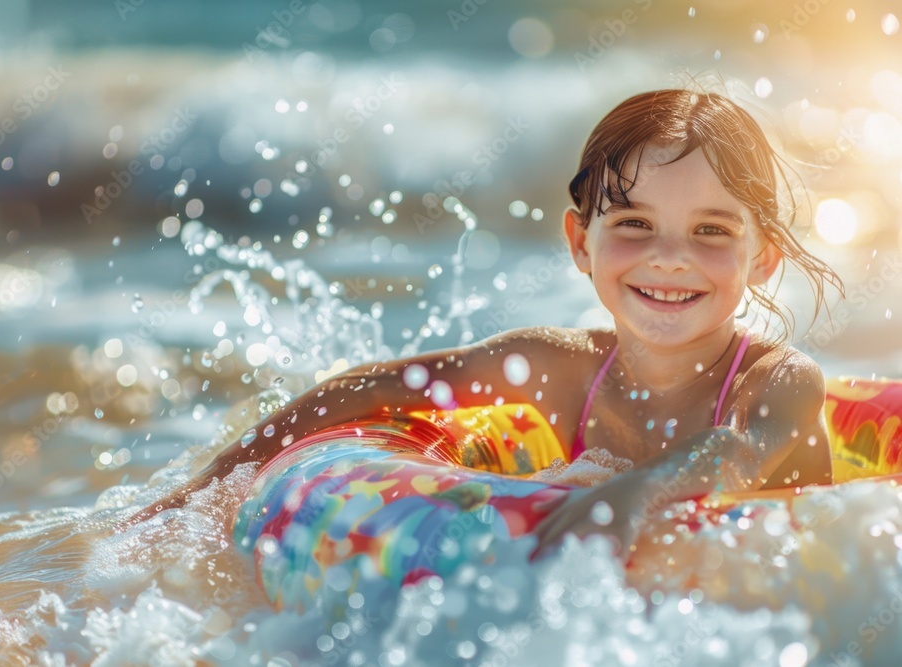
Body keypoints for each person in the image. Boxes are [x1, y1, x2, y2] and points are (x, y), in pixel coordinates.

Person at [130, 88, 844, 560]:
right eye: (634, 223)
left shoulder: (777, 380)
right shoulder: (560, 368)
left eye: (711, 230)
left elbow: (739, 448)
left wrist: (633, 492)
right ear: (579, 242)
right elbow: (382, 387)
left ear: (762, 259)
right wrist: (211, 480)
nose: (669, 257)